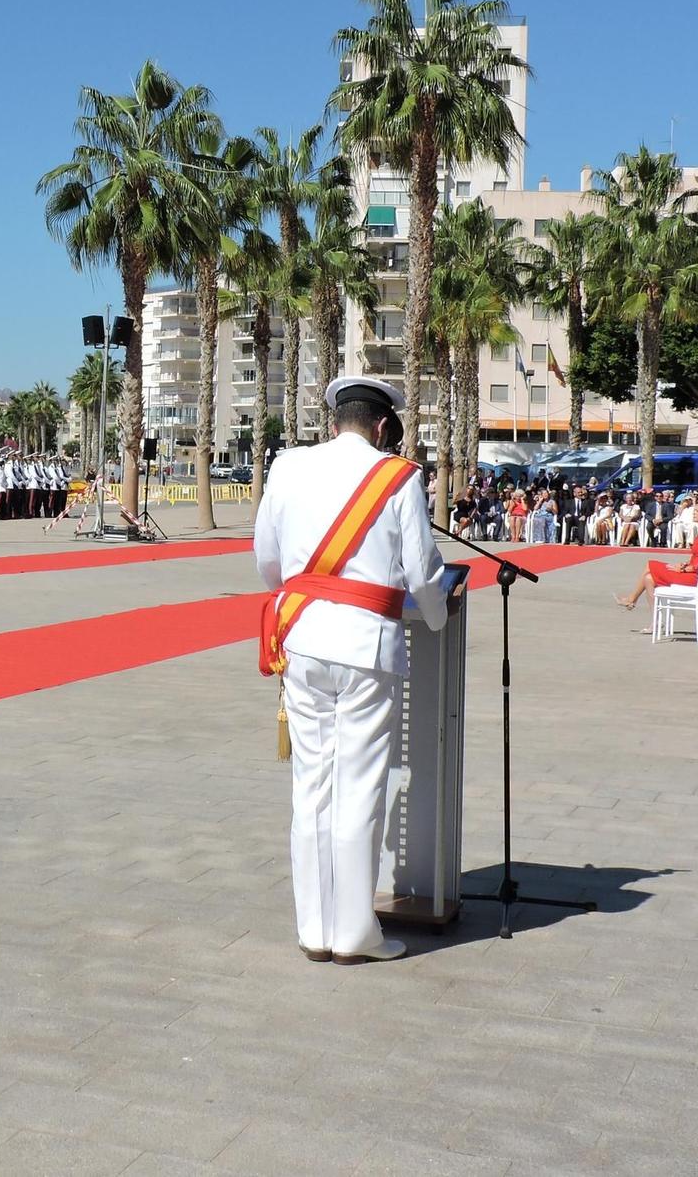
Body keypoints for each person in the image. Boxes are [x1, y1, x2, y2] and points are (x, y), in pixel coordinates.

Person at [254, 375, 455, 966]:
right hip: (366, 647)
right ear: (384, 426)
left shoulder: (287, 467)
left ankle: (314, 930)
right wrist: (439, 617)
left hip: (302, 640)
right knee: (360, 789)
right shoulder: (400, 476)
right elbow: (421, 573)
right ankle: (353, 934)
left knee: (312, 788)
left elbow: (268, 558)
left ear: (334, 421)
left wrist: (304, 599)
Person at [617, 498, 698, 611]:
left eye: (697, 511)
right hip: (693, 574)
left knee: (651, 565)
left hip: (693, 578)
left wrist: (683, 569)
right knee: (648, 578)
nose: (693, 513)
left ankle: (632, 599)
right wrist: (684, 565)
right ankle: (654, 621)